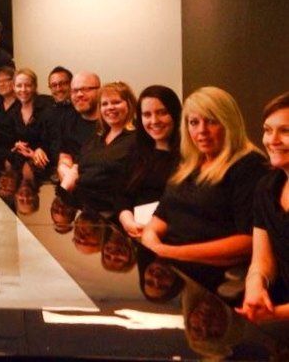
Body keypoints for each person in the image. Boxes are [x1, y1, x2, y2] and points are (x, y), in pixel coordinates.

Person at [141, 87, 268, 282]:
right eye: (194, 122)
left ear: (229, 123)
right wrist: (150, 240)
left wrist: (170, 252)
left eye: (211, 121)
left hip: (208, 274)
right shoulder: (189, 162)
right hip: (170, 265)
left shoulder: (250, 166)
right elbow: (162, 214)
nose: (201, 131)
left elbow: (249, 241)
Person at [237, 92, 289, 323]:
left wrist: (274, 315)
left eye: (285, 131)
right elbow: (262, 260)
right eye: (268, 130)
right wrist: (254, 287)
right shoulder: (267, 187)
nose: (272, 140)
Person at [60, 81, 137, 214]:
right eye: (104, 104)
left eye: (116, 102)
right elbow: (78, 166)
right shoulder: (97, 137)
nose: (110, 108)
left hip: (111, 214)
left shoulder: (137, 139)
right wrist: (64, 190)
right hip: (83, 209)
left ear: (129, 105)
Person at [116, 86, 182, 238]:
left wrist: (153, 229)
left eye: (162, 113)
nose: (154, 121)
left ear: (176, 114)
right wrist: (128, 221)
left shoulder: (190, 156)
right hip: (137, 234)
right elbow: (121, 196)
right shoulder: (136, 150)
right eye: (147, 114)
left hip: (172, 237)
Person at [9, 68, 54, 179]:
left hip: (48, 162)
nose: (23, 90)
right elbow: (12, 137)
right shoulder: (13, 111)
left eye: (28, 85)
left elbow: (54, 136)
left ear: (34, 87)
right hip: (26, 161)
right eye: (19, 86)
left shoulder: (48, 104)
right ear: (13, 87)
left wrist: (41, 149)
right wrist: (16, 144)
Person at [56, 71, 102, 181]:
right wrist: (65, 170)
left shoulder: (111, 120)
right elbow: (65, 155)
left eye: (86, 89)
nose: (79, 94)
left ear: (99, 91)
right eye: (75, 91)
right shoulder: (67, 120)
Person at [27, 66, 74, 172]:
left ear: (72, 84)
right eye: (54, 85)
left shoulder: (82, 110)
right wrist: (39, 149)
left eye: (63, 83)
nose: (58, 89)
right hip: (51, 169)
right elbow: (41, 139)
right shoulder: (47, 112)